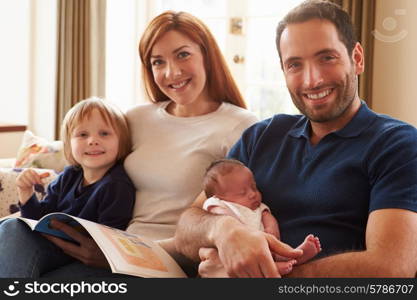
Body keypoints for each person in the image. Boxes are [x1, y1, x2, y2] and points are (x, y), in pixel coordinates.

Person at [0, 11, 301, 278]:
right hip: (109, 245)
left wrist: (117, 255)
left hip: (163, 259)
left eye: (183, 55)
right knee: (11, 230)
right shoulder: (137, 118)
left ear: (206, 55)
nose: (172, 72)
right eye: (158, 62)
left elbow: (234, 214)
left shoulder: (240, 125)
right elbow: (90, 168)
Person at [174, 0, 417, 278]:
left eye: (327, 58)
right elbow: (187, 226)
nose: (312, 80)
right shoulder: (261, 136)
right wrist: (223, 231)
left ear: (357, 58)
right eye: (295, 65)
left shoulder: (398, 144)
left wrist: (261, 277)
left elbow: (392, 267)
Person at [0, 97, 136, 277]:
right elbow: (38, 220)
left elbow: (109, 244)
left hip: (81, 258)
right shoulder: (69, 176)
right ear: (69, 144)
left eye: (104, 133)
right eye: (82, 135)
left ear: (122, 141)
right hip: (51, 247)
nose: (93, 141)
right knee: (11, 226)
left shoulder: (116, 186)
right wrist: (26, 193)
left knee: (11, 229)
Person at [200, 158, 321, 277]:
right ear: (219, 198)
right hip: (233, 250)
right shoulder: (219, 205)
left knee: (277, 251)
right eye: (242, 192)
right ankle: (275, 267)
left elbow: (268, 217)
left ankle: (294, 254)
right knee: (226, 256)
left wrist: (271, 229)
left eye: (254, 187)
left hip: (265, 244)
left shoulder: (259, 208)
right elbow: (217, 220)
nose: (253, 194)